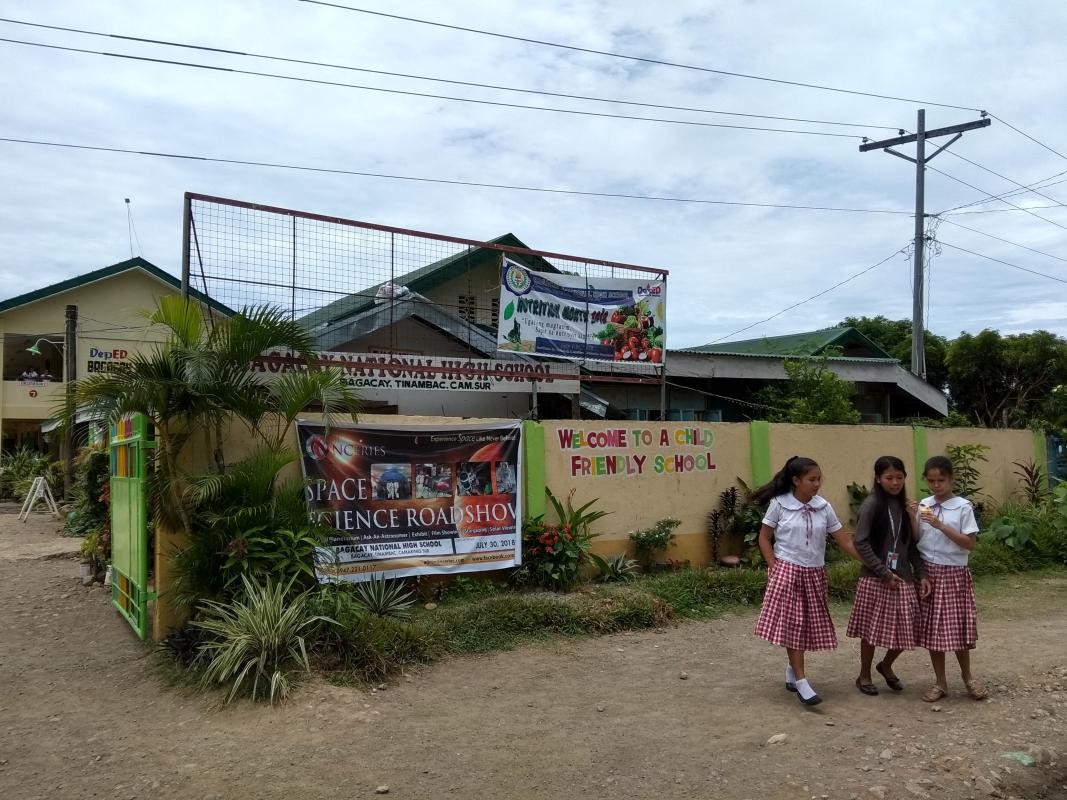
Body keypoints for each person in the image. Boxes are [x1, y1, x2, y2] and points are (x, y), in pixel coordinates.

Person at [753, 456, 857, 706]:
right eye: (811, 479)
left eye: (819, 479)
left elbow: (844, 541)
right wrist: (774, 566)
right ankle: (801, 681)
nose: (817, 484)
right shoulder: (779, 504)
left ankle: (791, 669)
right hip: (788, 571)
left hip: (815, 573)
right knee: (794, 624)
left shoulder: (824, 507)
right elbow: (764, 538)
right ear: (796, 480)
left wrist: (872, 563)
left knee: (806, 624)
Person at [847, 456, 932, 696]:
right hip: (875, 577)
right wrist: (883, 572)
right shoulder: (871, 504)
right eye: (889, 478)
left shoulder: (905, 506)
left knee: (911, 628)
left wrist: (921, 573)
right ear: (878, 478)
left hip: (902, 577)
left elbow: (911, 545)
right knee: (870, 631)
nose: (894, 482)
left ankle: (885, 665)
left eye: (899, 477)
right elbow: (861, 543)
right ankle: (864, 675)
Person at [908, 455, 988, 702]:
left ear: (951, 479)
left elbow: (970, 543)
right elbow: (916, 538)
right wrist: (912, 515)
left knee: (959, 628)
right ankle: (940, 682)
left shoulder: (963, 507)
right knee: (934, 631)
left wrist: (940, 524)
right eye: (931, 481)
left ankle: (968, 678)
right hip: (929, 573)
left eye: (941, 480)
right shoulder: (924, 504)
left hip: (954, 573)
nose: (936, 485)